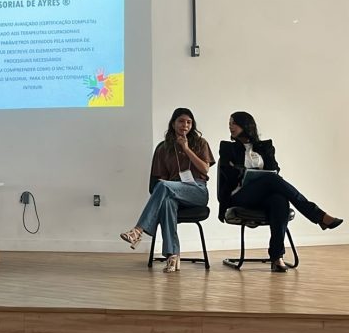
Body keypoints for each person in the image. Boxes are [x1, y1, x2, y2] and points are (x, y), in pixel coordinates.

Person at [217, 111, 342, 272]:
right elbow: (229, 174)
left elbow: (274, 169)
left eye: (234, 123)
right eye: (229, 123)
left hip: (263, 196)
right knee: (271, 179)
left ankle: (276, 257)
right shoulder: (227, 147)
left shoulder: (265, 147)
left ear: (245, 125)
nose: (230, 126)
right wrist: (246, 173)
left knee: (279, 200)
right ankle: (317, 215)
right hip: (239, 195)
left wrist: (242, 170)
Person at [120, 108, 214, 272]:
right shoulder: (163, 148)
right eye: (181, 121)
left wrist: (186, 148)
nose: (185, 125)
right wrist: (169, 183)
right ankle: (172, 256)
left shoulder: (200, 143)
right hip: (173, 189)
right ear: (173, 124)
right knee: (167, 203)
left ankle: (138, 231)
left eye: (189, 122)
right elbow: (161, 179)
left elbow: (205, 169)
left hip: (197, 190)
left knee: (164, 187)